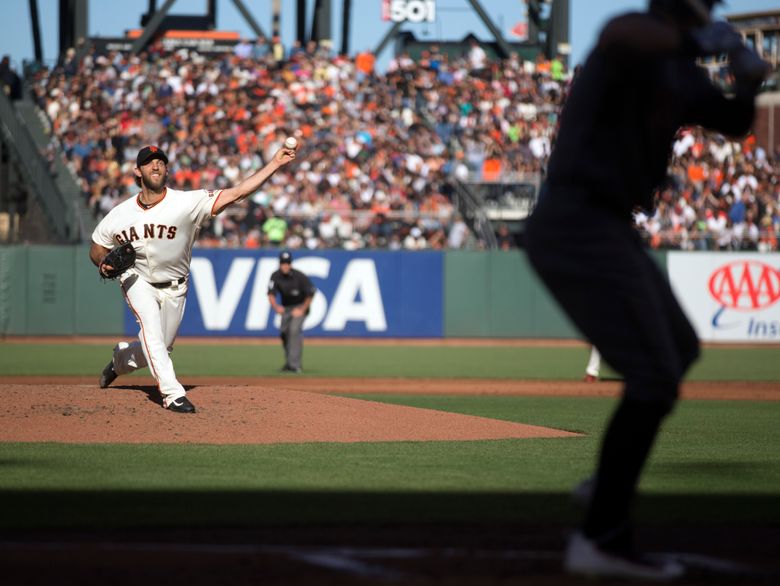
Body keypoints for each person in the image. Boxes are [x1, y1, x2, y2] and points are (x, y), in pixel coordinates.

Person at [523, 0, 768, 580]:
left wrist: (748, 79)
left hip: (609, 225)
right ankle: (601, 538)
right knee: (655, 375)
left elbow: (733, 121)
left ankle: (607, 487)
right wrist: (711, 44)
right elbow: (628, 34)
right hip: (576, 219)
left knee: (679, 348)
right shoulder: (632, 41)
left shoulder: (678, 69)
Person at [90, 142, 298, 412]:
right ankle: (172, 394)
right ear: (137, 171)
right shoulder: (120, 213)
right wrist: (103, 262)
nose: (156, 165)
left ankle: (120, 360)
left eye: (161, 162)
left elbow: (237, 193)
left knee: (159, 347)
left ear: (166, 169)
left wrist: (275, 164)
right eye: (149, 162)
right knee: (151, 332)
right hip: (136, 279)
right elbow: (97, 247)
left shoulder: (187, 202)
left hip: (176, 287)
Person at [267, 250, 316, 374]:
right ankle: (289, 363)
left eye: (287, 263)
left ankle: (295, 365)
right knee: (284, 332)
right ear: (279, 264)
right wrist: (276, 307)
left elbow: (310, 293)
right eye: (283, 263)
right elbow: (271, 294)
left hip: (300, 307)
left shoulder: (299, 276)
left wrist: (302, 309)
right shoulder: (275, 276)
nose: (285, 265)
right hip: (286, 308)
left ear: (291, 264)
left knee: (294, 331)